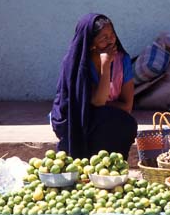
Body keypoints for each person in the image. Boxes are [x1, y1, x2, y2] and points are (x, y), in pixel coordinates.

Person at [51, 13, 138, 160]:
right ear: (91, 42)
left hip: (101, 116)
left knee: (125, 122)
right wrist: (105, 66)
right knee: (98, 118)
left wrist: (100, 105)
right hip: (76, 119)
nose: (110, 40)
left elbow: (127, 106)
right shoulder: (76, 64)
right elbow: (94, 103)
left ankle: (111, 166)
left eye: (112, 34)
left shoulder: (122, 60)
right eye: (103, 38)